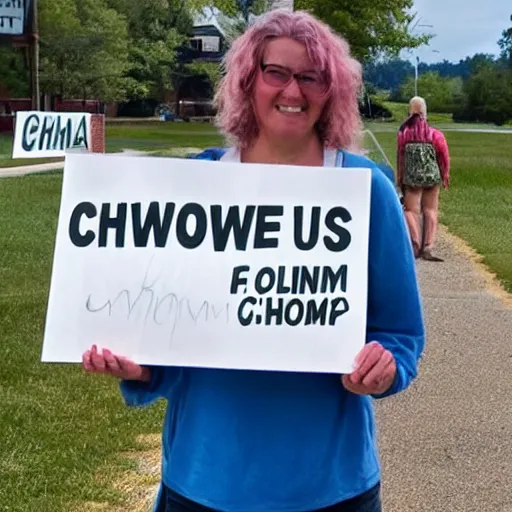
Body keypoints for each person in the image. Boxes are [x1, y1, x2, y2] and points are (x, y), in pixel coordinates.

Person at [82, 10, 425, 512]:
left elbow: (401, 332)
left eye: (311, 77)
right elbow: (172, 331)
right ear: (248, 79)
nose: (293, 90)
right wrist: (139, 366)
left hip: (331, 487)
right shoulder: (198, 185)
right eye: (277, 72)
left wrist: (386, 365)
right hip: (203, 482)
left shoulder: (364, 189)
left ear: (332, 91)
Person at [397, 96, 451, 261]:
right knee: (431, 210)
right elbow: (444, 157)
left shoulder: (404, 134)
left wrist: (400, 178)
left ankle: (414, 244)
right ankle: (428, 246)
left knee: (410, 210)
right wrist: (445, 174)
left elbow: (400, 158)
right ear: (425, 114)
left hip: (412, 179)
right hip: (431, 177)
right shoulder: (435, 134)